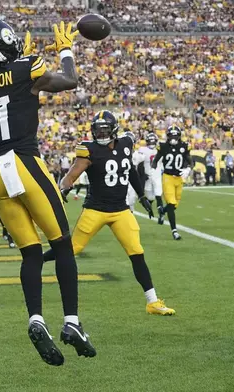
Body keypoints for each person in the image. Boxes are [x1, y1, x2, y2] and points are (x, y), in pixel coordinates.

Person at [0, 20, 95, 366]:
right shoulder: (26, 68)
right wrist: (64, 50)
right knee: (62, 243)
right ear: (7, 44)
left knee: (30, 252)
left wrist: (24, 59)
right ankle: (71, 323)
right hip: (23, 162)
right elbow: (69, 81)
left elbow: (3, 76)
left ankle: (36, 317)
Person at [44, 110, 174, 316]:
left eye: (105, 130)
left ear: (114, 130)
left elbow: (130, 169)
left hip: (121, 210)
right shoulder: (89, 150)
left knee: (137, 253)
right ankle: (36, 260)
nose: (101, 134)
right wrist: (64, 188)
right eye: (98, 130)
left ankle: (152, 302)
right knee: (71, 249)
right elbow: (72, 174)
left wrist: (141, 196)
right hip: (95, 210)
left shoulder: (126, 143)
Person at [152, 125, 192, 240]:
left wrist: (188, 169)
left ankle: (162, 211)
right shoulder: (163, 146)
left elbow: (190, 161)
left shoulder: (184, 146)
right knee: (171, 203)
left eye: (175, 135)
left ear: (179, 136)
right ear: (168, 136)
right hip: (167, 177)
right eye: (171, 135)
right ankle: (174, 231)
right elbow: (155, 161)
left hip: (179, 178)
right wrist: (153, 171)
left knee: (174, 205)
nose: (173, 138)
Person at [134, 133, 164, 224]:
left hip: (156, 175)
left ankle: (161, 215)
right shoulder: (143, 150)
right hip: (148, 176)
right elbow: (140, 164)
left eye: (153, 141)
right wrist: (142, 175)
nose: (151, 143)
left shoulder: (144, 150)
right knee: (151, 197)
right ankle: (149, 207)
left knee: (158, 196)